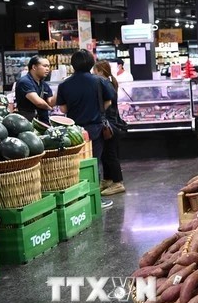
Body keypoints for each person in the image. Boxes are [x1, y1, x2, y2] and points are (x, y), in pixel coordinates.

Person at [56, 50, 117, 210]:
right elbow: (109, 101)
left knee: (76, 165)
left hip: (73, 131)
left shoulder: (64, 84)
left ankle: (78, 198)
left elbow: (62, 109)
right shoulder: (99, 81)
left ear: (73, 64)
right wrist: (97, 110)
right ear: (91, 63)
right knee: (94, 164)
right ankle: (95, 199)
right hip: (95, 128)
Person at [93, 60, 126, 196]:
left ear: (100, 71)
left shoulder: (104, 84)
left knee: (110, 154)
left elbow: (107, 104)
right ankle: (108, 179)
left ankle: (118, 182)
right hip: (112, 123)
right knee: (107, 153)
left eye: (94, 71)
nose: (93, 74)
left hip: (109, 124)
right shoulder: (109, 83)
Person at [15, 55, 55, 123]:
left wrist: (62, 90)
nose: (48, 69)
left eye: (48, 66)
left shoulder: (44, 84)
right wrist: (49, 108)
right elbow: (38, 102)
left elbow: (50, 101)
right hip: (28, 122)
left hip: (43, 122)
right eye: (45, 66)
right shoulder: (24, 82)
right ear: (34, 67)